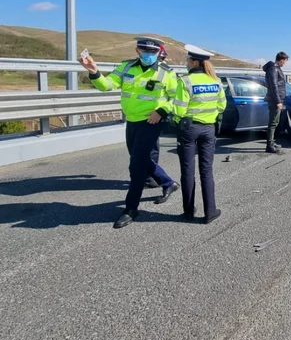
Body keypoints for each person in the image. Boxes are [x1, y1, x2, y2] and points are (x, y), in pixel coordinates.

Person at [78, 36, 180, 228]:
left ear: (159, 53)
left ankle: (131, 208)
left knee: (136, 165)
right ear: (137, 51)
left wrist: (162, 111)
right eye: (145, 51)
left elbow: (177, 98)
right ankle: (168, 183)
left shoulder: (167, 73)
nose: (149, 55)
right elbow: (107, 86)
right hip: (132, 120)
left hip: (152, 121)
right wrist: (93, 70)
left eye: (153, 52)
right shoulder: (126, 67)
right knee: (140, 158)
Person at [172, 45, 227, 224]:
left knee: (187, 171)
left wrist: (177, 117)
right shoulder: (215, 81)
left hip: (189, 129)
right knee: (206, 171)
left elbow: (179, 109)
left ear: (194, 62)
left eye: (187, 60)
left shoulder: (185, 81)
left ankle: (188, 211)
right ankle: (210, 212)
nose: (186, 63)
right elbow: (222, 106)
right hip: (209, 129)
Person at [263, 51, 289, 154]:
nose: (285, 63)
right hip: (275, 100)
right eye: (285, 61)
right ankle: (269, 145)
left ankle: (272, 142)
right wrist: (278, 101)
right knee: (273, 122)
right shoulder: (274, 69)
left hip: (277, 99)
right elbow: (274, 86)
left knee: (275, 121)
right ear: (281, 60)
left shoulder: (275, 69)